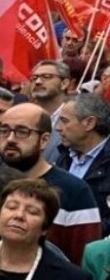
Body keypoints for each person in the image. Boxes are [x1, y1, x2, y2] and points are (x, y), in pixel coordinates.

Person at [0, 103, 101, 263]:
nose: (10, 139)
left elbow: (86, 260)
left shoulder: (74, 191)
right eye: (4, 130)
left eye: (22, 131)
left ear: (45, 139)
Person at [55, 94, 110, 235]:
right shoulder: (63, 156)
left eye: (64, 121)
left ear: (89, 123)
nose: (58, 128)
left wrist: (81, 231)